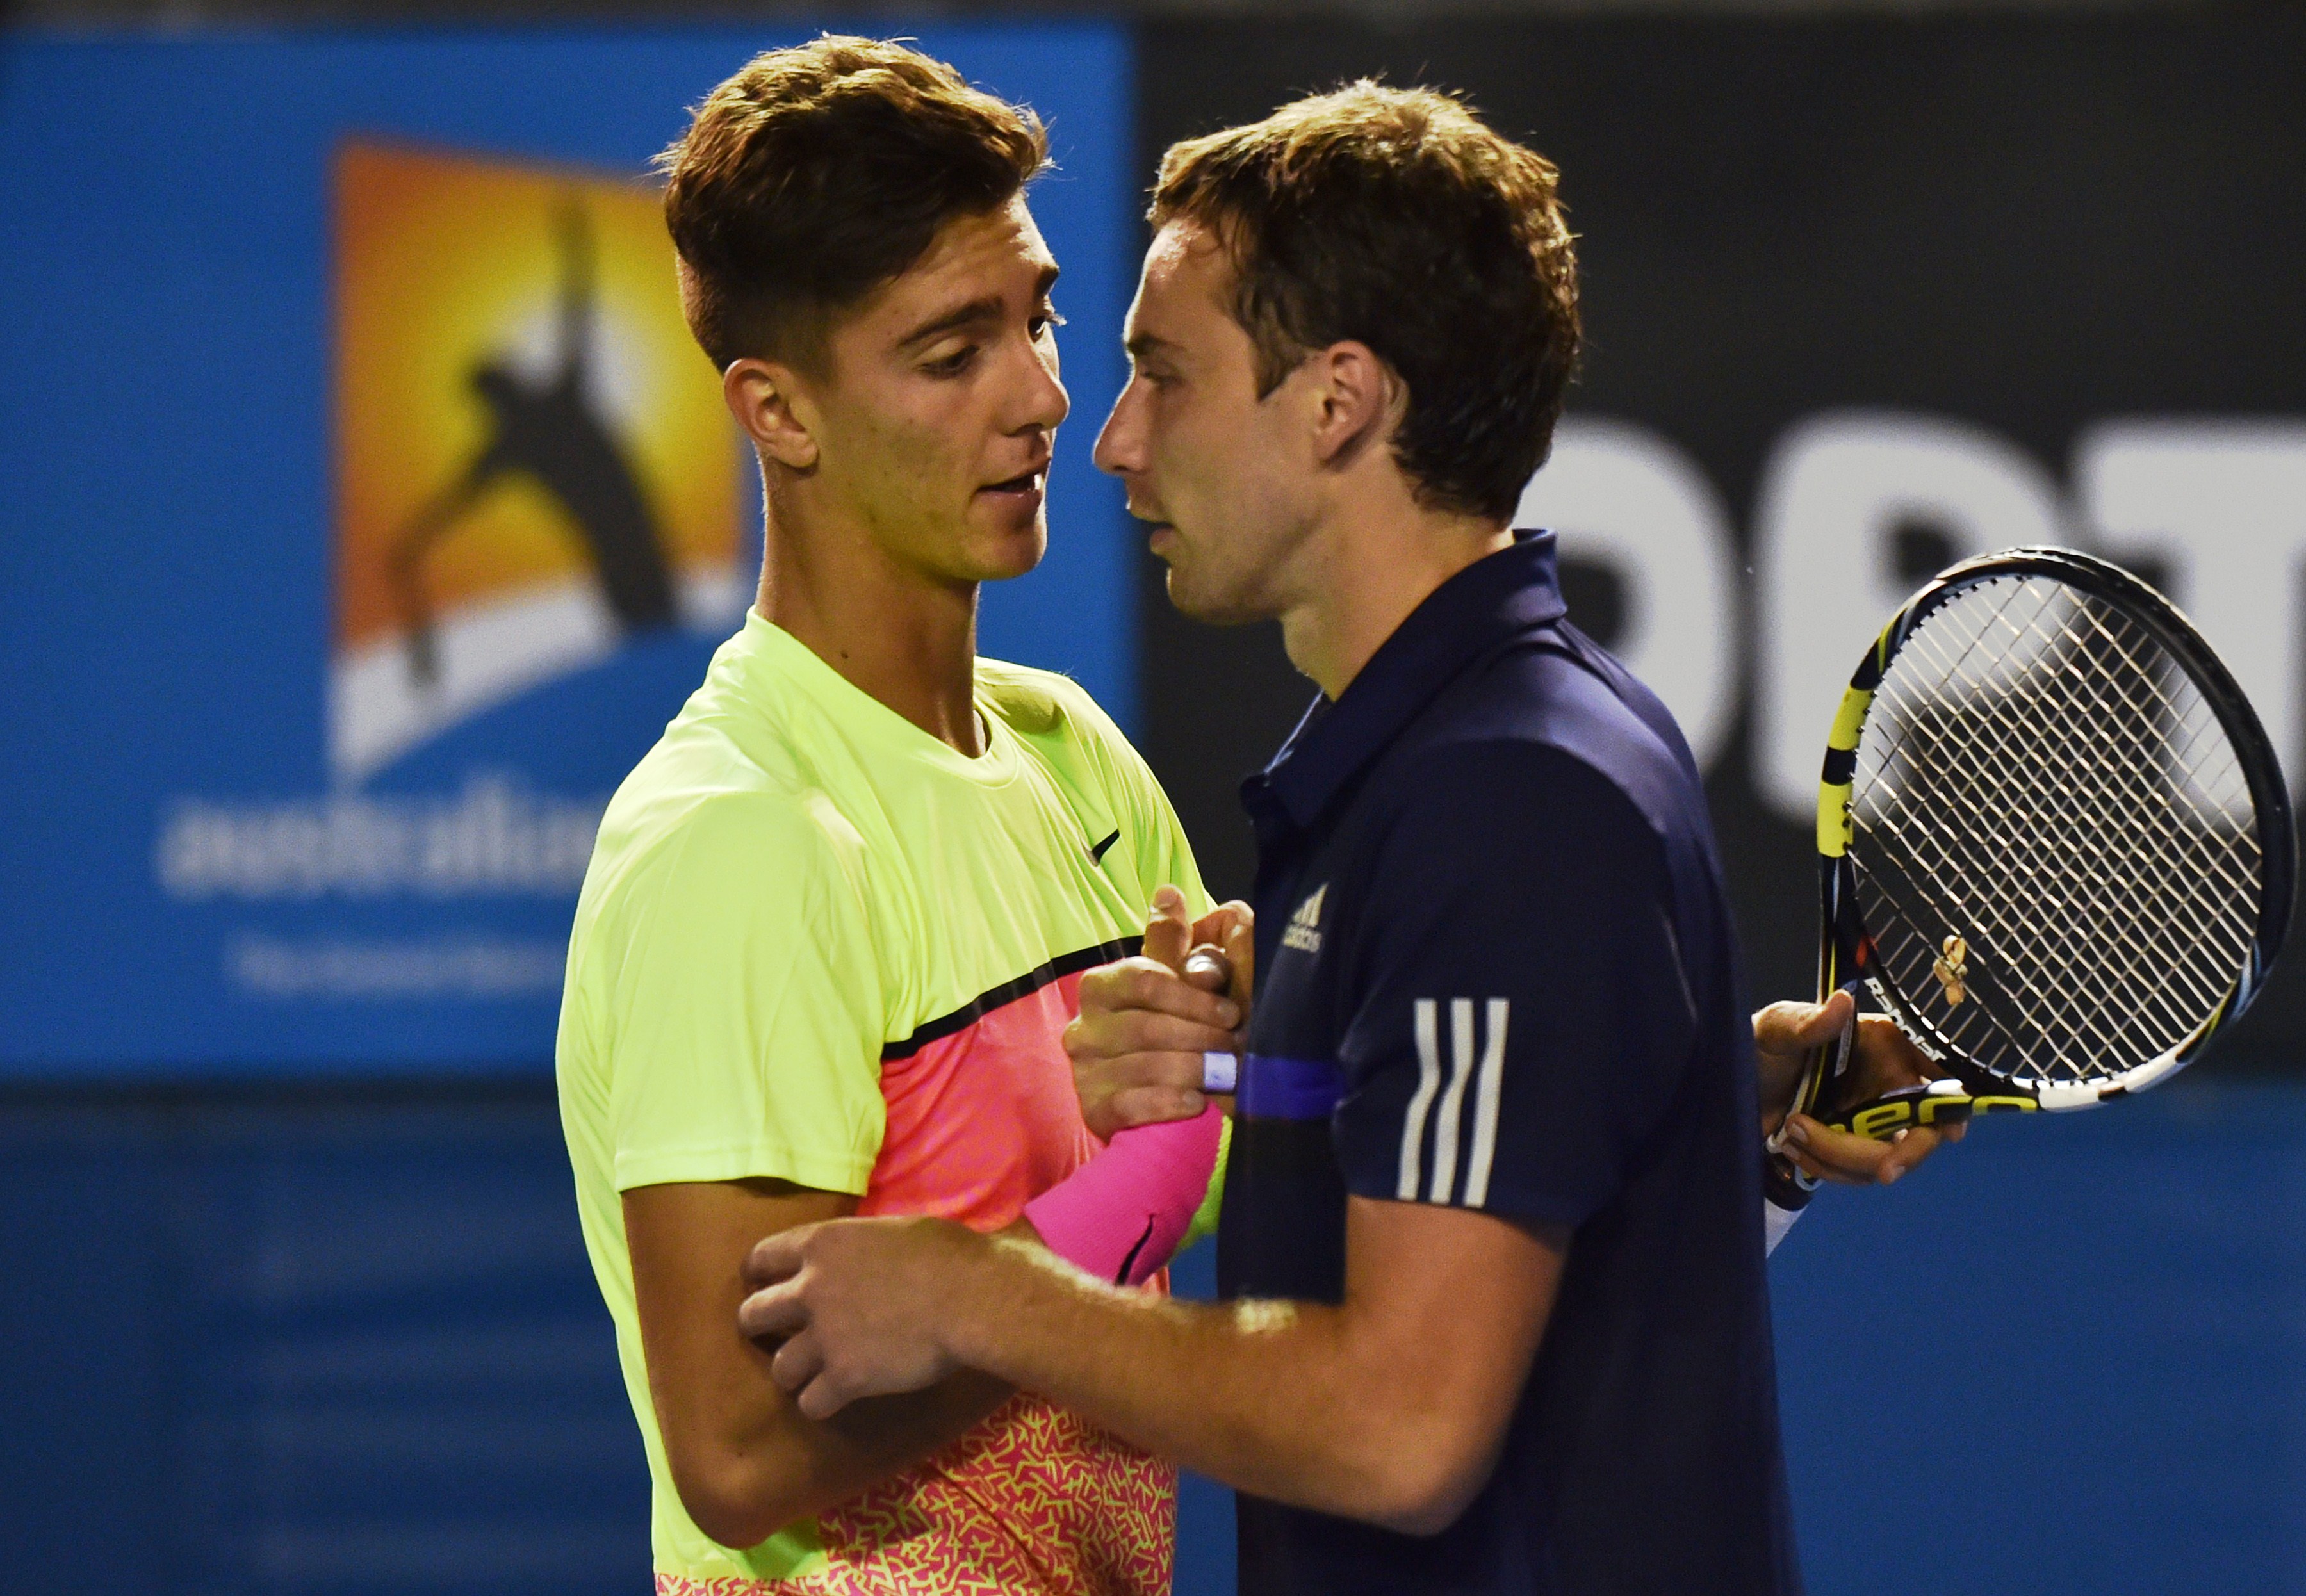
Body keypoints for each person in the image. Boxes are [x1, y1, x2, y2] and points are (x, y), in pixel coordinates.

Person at [735, 82, 1958, 1595]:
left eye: (1163, 376)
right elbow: (1539, 1242)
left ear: (1336, 401)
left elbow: (1401, 1429)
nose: (1108, 440)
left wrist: (981, 1296)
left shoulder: (1506, 798)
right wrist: (1280, 1075)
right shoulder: (1452, 765)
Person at [555, 38, 1236, 1594]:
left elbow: (1233, 1169)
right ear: (777, 413)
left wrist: (1662, 1108)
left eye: (1039, 318)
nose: (1047, 396)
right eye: (951, 354)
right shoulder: (740, 842)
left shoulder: (1080, 761)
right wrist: (1090, 1236)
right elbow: (735, 1456)